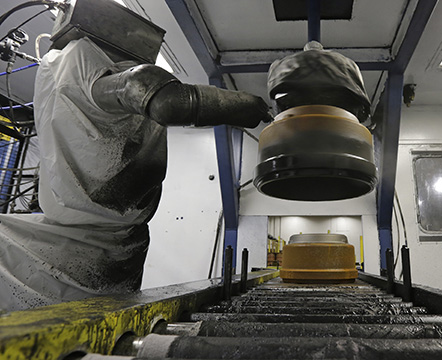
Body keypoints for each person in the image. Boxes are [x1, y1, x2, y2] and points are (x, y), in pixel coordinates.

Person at [0, 0, 271, 312]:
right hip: (94, 250)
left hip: (89, 241)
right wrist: (248, 106)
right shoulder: (87, 59)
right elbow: (166, 101)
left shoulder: (52, 68)